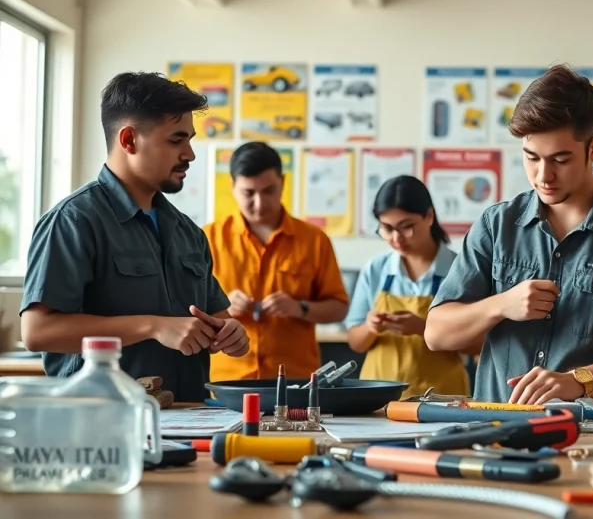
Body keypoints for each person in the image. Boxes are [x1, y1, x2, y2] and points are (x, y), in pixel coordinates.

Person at [424, 64, 593, 404]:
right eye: (531, 158)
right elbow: (436, 333)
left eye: (560, 160)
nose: (543, 176)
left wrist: (580, 381)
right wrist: (501, 305)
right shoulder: (496, 226)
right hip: (495, 425)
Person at [19, 72, 250, 403]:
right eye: (176, 140)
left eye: (190, 140)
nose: (190, 154)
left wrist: (230, 333)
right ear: (129, 140)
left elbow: (218, 319)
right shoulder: (74, 221)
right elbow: (38, 332)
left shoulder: (187, 231)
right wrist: (153, 327)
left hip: (190, 420)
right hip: (104, 421)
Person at [203, 142, 350, 382]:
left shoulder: (314, 240)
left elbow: (339, 308)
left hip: (297, 380)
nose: (260, 203)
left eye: (269, 191)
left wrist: (300, 308)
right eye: (248, 193)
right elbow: (187, 312)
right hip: (226, 380)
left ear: (283, 183)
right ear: (233, 187)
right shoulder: (207, 239)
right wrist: (223, 308)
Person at [343, 175, 472, 399]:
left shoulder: (459, 270)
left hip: (443, 398)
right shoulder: (376, 269)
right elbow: (356, 342)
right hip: (380, 398)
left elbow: (477, 346)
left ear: (429, 216)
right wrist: (370, 327)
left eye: (406, 227)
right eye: (387, 228)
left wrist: (424, 328)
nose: (396, 238)